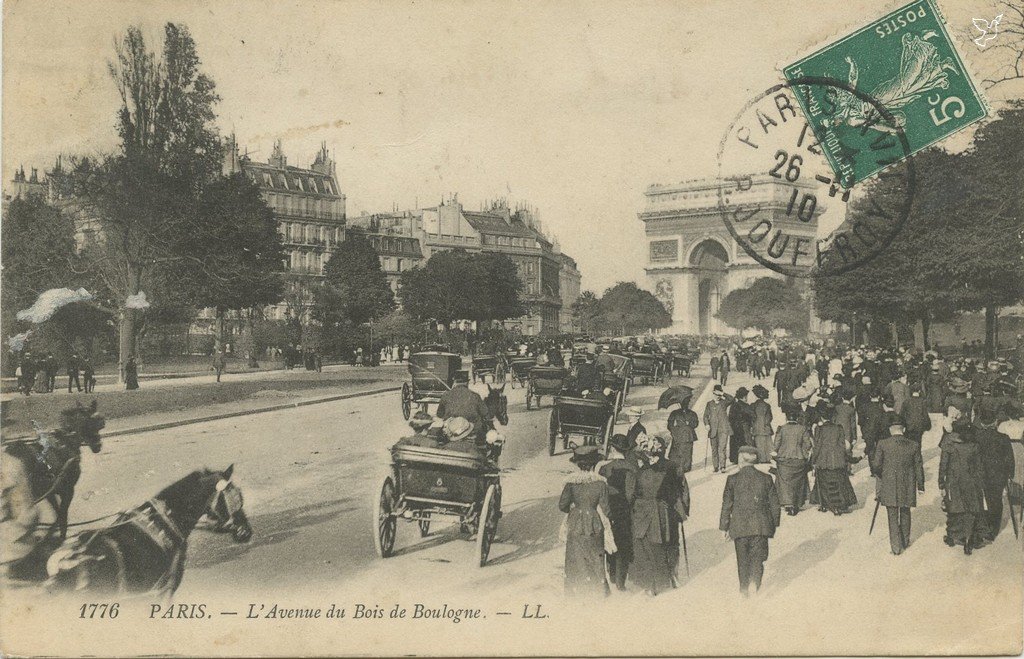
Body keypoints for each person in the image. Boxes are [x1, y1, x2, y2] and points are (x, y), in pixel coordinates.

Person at [626, 433, 688, 595]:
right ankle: (672, 576)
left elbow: (632, 493)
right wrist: (683, 510)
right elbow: (683, 491)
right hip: (669, 511)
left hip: (647, 512)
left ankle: (655, 582)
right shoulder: (673, 466)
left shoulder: (642, 470)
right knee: (671, 543)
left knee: (651, 545)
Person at [720, 446, 781, 596]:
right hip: (760, 527)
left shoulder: (732, 479)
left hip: (739, 527)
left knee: (742, 560)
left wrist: (724, 527)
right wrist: (772, 525)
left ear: (741, 459)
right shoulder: (766, 478)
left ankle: (743, 589)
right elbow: (775, 505)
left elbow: (727, 504)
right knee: (757, 559)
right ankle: (755, 585)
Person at [559, 445, 613, 597]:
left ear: (577, 464)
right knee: (595, 556)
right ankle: (597, 592)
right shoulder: (601, 483)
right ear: (594, 464)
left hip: (575, 521)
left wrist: (575, 509)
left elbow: (562, 505)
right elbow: (606, 508)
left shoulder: (571, 483)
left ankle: (574, 591)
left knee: (575, 558)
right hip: (594, 522)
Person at [871, 415, 925, 555]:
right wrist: (921, 485)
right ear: (904, 429)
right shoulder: (913, 445)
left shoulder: (883, 444)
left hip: (889, 483)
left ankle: (895, 547)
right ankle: (905, 541)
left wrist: (882, 475)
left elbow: (876, 465)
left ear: (890, 429)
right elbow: (919, 466)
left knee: (892, 514)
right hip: (907, 483)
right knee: (905, 511)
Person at [938, 412, 985, 554]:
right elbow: (979, 467)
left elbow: (943, 465)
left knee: (954, 509)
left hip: (953, 481)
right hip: (971, 480)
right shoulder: (974, 445)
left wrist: (941, 483)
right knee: (970, 509)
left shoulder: (948, 443)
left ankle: (953, 536)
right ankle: (968, 539)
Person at [598, 434, 637, 591]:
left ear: (613, 449)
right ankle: (620, 581)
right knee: (622, 544)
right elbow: (630, 494)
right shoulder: (632, 468)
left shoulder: (604, 468)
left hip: (607, 510)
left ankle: (612, 574)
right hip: (624, 512)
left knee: (609, 541)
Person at [974, 407, 1015, 543]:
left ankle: (981, 527)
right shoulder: (1004, 438)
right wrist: (1010, 474)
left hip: (981, 474)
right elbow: (1009, 459)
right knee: (996, 501)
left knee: (982, 500)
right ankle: (993, 530)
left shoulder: (976, 437)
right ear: (995, 422)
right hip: (998, 476)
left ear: (982, 423)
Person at [809, 401, 857, 515]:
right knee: (840, 482)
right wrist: (845, 458)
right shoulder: (839, 428)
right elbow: (842, 445)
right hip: (837, 460)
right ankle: (840, 505)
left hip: (824, 460)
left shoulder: (819, 429)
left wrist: (813, 460)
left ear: (821, 417)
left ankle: (825, 504)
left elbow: (817, 447)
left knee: (823, 483)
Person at [773, 408, 812, 516]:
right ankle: (797, 503)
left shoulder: (781, 429)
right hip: (799, 459)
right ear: (797, 418)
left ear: (786, 418)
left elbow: (776, 445)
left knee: (784, 481)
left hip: (784, 460)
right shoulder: (803, 429)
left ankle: (787, 503)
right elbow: (808, 445)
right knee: (799, 482)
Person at [437, 371, 492, 441]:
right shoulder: (475, 396)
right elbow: (485, 413)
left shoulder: (446, 395)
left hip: (450, 432)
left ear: (454, 382)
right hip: (472, 431)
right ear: (467, 383)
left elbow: (439, 414)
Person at [703, 385, 733, 473]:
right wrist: (707, 425)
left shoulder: (724, 402)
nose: (717, 396)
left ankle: (723, 466)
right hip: (713, 430)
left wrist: (722, 393)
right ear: (713, 394)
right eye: (715, 394)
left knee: (722, 448)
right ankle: (715, 466)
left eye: (718, 394)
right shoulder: (709, 404)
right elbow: (705, 416)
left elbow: (732, 399)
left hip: (723, 429)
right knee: (714, 449)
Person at [667, 393, 699, 473]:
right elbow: (669, 424)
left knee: (688, 452)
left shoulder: (692, 413)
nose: (685, 405)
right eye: (683, 403)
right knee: (676, 452)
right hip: (678, 435)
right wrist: (674, 431)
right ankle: (677, 466)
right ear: (680, 404)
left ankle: (686, 467)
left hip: (688, 436)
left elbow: (696, 424)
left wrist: (690, 424)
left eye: (687, 403)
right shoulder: (675, 413)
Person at [728, 387, 754, 466]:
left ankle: (735, 458)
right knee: (745, 442)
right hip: (743, 427)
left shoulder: (733, 405)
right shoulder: (746, 406)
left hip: (735, 428)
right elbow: (752, 416)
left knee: (734, 443)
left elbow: (730, 417)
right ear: (744, 396)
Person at [750, 384, 774, 463]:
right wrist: (766, 424)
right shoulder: (767, 405)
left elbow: (752, 418)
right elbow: (770, 418)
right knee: (768, 445)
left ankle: (761, 459)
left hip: (757, 428)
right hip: (766, 428)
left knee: (759, 445)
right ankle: (768, 459)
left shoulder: (753, 405)